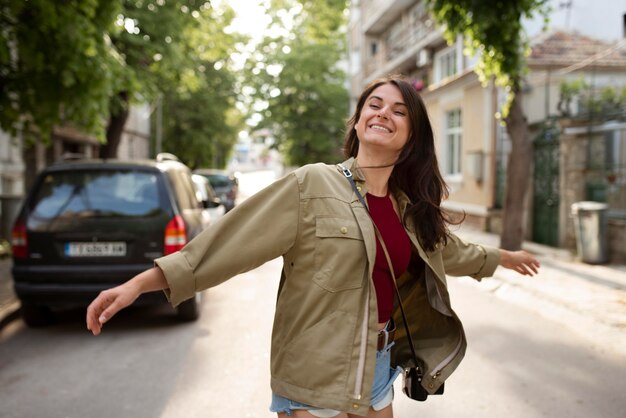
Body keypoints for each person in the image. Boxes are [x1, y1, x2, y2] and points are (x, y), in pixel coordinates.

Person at [86, 75, 540, 418]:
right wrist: (140, 284)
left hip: (379, 364)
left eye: (399, 111)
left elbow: (451, 252)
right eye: (374, 104)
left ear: (413, 135)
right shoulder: (312, 184)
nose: (383, 113)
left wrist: (504, 257)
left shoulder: (409, 209)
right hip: (314, 373)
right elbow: (229, 243)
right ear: (359, 121)